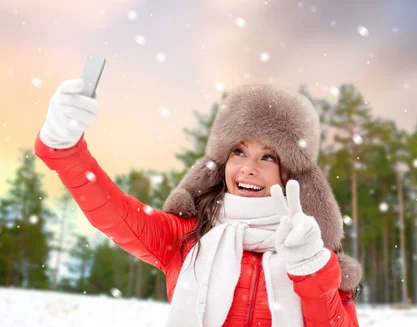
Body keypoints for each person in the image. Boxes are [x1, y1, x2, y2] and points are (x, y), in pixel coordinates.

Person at [35, 78, 362, 327]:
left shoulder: (316, 258)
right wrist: (64, 148)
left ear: (291, 174)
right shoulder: (187, 237)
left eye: (268, 156)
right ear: (222, 162)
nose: (248, 167)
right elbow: (114, 212)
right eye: (238, 151)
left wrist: (309, 270)